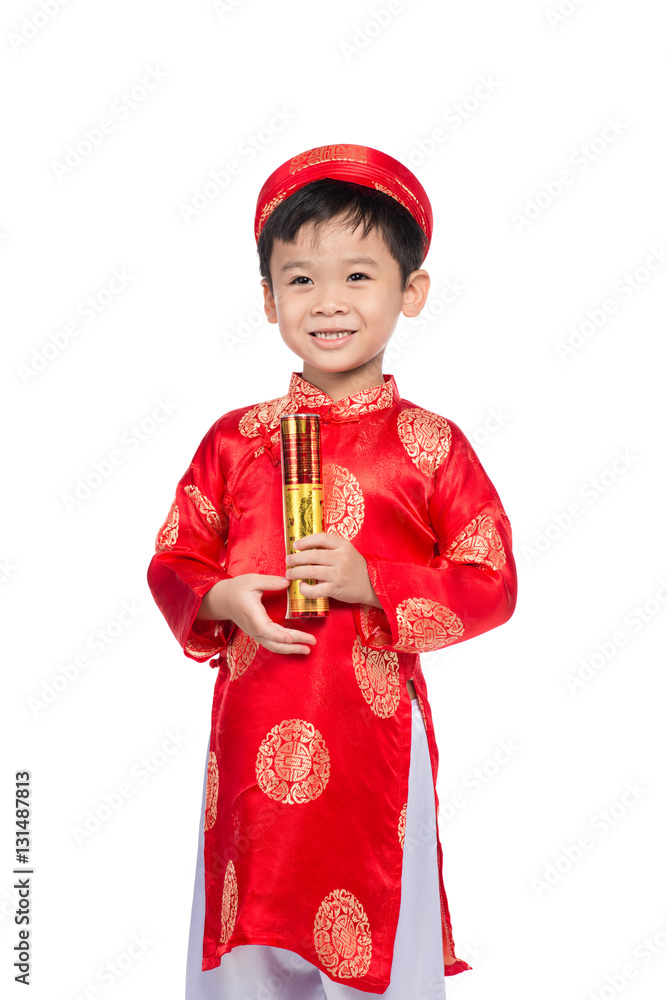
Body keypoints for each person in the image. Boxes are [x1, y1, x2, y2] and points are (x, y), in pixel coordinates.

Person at [147, 143, 518, 998]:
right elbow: (174, 557)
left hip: (373, 750)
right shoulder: (236, 440)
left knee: (384, 959)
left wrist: (375, 582)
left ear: (409, 292)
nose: (329, 304)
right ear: (270, 297)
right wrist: (217, 595)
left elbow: (490, 580)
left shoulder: (430, 446)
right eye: (302, 280)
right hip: (250, 750)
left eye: (358, 276)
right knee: (244, 957)